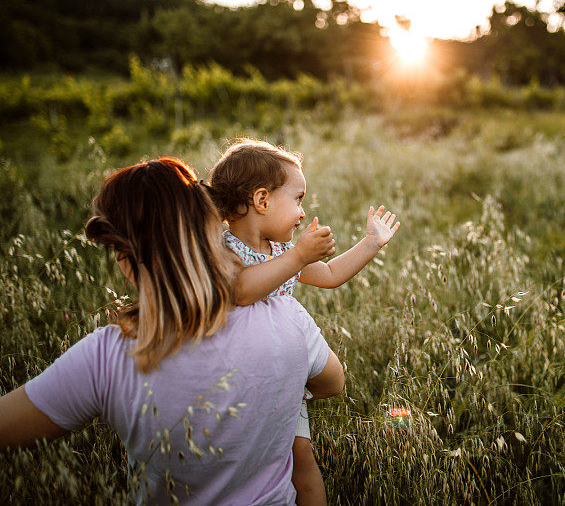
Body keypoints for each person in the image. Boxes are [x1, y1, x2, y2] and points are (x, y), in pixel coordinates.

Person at [0, 157, 345, 505]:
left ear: (123, 255)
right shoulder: (286, 316)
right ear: (209, 230)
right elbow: (333, 383)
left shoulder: (108, 356)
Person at [208, 139, 400, 505]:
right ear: (262, 201)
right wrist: (298, 255)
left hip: (280, 375)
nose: (302, 211)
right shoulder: (223, 249)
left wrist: (371, 243)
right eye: (297, 198)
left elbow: (327, 273)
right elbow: (243, 291)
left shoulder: (280, 250)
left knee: (302, 459)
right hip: (235, 380)